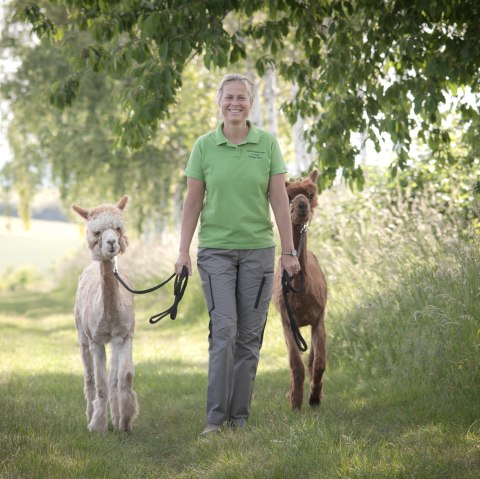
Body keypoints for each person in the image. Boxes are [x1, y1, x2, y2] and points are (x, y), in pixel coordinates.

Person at [174, 73, 300, 436]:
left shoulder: (268, 144)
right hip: (216, 252)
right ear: (219, 102)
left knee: (249, 335)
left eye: (241, 98)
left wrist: (289, 252)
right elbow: (193, 200)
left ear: (251, 103)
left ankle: (239, 418)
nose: (234, 103)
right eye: (228, 97)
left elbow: (279, 200)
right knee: (225, 330)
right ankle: (215, 419)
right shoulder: (204, 146)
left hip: (259, 252)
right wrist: (183, 250)